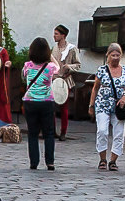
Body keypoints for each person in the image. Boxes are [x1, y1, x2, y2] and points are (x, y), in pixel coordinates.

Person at [88, 42, 125, 171]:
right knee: (102, 131)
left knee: (119, 134)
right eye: (113, 55)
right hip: (103, 104)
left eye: (118, 55)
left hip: (119, 106)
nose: (115, 57)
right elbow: (95, 88)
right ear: (108, 55)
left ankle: (113, 160)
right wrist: (91, 105)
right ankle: (102, 159)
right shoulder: (102, 70)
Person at [22, 37, 58, 170]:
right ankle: (50, 162)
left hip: (30, 101)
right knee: (49, 133)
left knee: (32, 133)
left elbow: (24, 77)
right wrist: (51, 56)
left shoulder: (27, 65)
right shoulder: (50, 67)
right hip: (46, 101)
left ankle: (34, 162)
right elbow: (58, 68)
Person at [51, 25, 81, 140]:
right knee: (52, 107)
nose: (54, 36)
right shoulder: (54, 48)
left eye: (56, 34)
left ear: (63, 35)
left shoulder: (72, 49)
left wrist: (69, 66)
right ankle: (52, 130)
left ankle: (63, 132)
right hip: (54, 80)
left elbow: (78, 65)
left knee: (64, 107)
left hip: (65, 80)